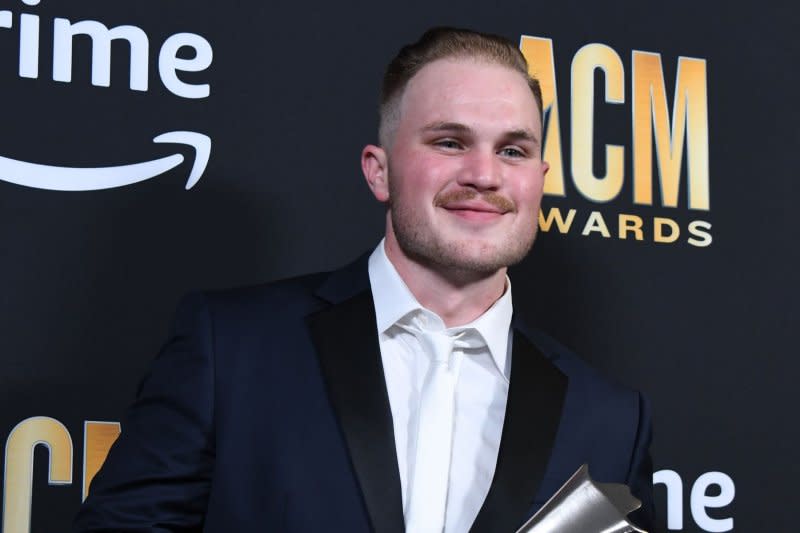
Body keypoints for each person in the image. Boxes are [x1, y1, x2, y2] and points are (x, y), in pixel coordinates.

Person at [74, 27, 654, 532]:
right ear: (380, 172)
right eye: (449, 142)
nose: (484, 174)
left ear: (539, 179)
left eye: (513, 150)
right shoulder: (232, 347)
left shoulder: (609, 418)